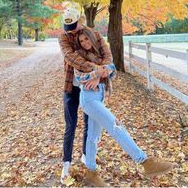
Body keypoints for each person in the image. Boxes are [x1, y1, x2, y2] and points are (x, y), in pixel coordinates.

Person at [74, 27, 175, 187]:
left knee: (93, 138)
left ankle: (91, 173)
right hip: (88, 98)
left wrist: (104, 71)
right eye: (81, 41)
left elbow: (113, 71)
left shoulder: (101, 54)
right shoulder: (79, 57)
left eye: (86, 39)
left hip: (99, 96)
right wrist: (98, 73)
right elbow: (79, 77)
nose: (85, 43)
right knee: (116, 126)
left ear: (92, 38)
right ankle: (145, 161)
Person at [58, 8, 112, 184]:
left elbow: (107, 57)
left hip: (90, 88)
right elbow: (71, 58)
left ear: (81, 20)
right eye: (69, 27)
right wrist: (95, 69)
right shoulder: (64, 37)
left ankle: (85, 155)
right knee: (71, 124)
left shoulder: (94, 34)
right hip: (71, 87)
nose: (72, 30)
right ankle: (66, 163)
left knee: (90, 124)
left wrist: (98, 75)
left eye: (74, 25)